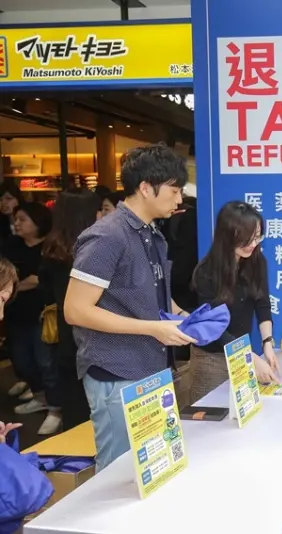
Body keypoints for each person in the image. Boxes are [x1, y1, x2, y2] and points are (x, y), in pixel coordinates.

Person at [64, 144, 196, 471]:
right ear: (146, 188)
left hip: (151, 368)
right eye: (174, 190)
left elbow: (149, 292)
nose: (179, 199)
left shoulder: (153, 234)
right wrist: (154, 328)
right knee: (117, 473)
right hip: (117, 370)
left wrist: (183, 317)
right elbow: (76, 310)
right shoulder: (107, 236)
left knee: (150, 469)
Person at [190, 201, 279, 404]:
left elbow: (262, 304)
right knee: (211, 420)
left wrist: (267, 343)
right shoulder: (206, 272)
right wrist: (250, 356)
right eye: (246, 239)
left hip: (241, 354)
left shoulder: (257, 261)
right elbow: (212, 328)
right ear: (228, 236)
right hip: (212, 358)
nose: (253, 244)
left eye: (257, 237)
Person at [40, 190, 102, 432]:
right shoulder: (94, 252)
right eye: (99, 211)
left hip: (67, 342)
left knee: (76, 413)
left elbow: (45, 295)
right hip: (94, 340)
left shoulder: (52, 251)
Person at [5, 203, 60, 435]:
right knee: (21, 361)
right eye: (16, 219)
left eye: (23, 219)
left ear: (38, 222)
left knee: (46, 362)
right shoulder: (10, 245)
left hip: (41, 315)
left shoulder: (50, 247)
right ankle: (39, 397)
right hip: (15, 314)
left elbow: (38, 278)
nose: (17, 223)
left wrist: (12, 286)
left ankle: (56, 409)